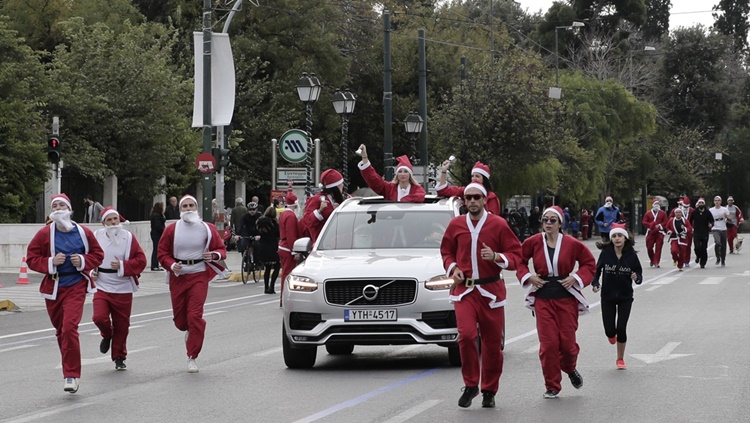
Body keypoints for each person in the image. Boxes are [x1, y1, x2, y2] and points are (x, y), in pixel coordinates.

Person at [440, 183, 522, 408]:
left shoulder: (498, 224)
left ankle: (489, 390)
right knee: (466, 336)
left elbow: (516, 256)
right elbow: (446, 250)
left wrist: (496, 256)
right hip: (465, 291)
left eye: (477, 197)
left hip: (491, 293)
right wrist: (453, 267)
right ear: (464, 201)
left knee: (492, 345)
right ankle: (470, 384)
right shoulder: (456, 224)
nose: (472, 201)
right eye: (468, 197)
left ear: (485, 200)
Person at [516, 205, 596, 399]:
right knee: (549, 344)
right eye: (545, 220)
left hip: (566, 298)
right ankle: (552, 385)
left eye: (553, 220)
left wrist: (576, 278)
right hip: (543, 298)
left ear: (560, 223)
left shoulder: (571, 243)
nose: (548, 223)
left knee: (568, 345)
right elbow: (519, 260)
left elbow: (589, 263)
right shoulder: (533, 242)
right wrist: (528, 276)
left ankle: (569, 368)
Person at [26, 193, 104, 393]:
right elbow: (32, 258)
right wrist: (51, 262)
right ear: (52, 212)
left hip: (76, 284)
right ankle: (69, 365)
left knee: (69, 328)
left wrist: (83, 261)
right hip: (53, 286)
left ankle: (71, 374)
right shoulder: (44, 234)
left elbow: (98, 255)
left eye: (62, 205)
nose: (58, 209)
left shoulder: (83, 232)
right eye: (55, 206)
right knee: (61, 331)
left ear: (69, 210)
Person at [157, 194, 227, 373]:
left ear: (196, 208)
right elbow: (162, 253)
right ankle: (189, 329)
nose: (188, 209)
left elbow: (221, 249)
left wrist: (214, 255)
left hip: (199, 275)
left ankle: (192, 356)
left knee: (195, 316)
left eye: (191, 206)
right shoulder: (172, 230)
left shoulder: (207, 228)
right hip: (178, 277)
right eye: (185, 206)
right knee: (181, 322)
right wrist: (172, 265)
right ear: (180, 210)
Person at [91, 207, 147, 371]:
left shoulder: (128, 237)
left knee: (122, 325)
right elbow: (88, 257)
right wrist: (90, 271)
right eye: (109, 220)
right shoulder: (96, 236)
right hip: (101, 284)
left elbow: (141, 260)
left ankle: (119, 357)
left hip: (122, 286)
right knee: (99, 317)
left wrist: (122, 265)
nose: (113, 222)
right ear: (103, 223)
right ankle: (107, 334)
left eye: (115, 219)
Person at [591, 223, 643, 370]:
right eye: (614, 236)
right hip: (607, 296)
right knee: (609, 330)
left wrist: (636, 277)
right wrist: (595, 283)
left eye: (620, 235)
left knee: (621, 328)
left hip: (625, 296)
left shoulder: (631, 254)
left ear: (625, 238)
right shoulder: (606, 253)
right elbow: (597, 270)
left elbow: (639, 274)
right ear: (611, 238)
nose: (617, 238)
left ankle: (620, 359)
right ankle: (610, 335)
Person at [357, 145, 426, 202]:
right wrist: (364, 158)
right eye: (400, 171)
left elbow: (419, 196)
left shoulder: (417, 189)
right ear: (396, 174)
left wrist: (403, 201)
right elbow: (374, 180)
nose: (402, 174)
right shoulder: (390, 188)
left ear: (410, 174)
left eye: (405, 171)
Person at [436, 160, 502, 215]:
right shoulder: (464, 191)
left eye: (477, 176)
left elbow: (493, 220)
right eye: (472, 176)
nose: (474, 179)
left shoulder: (491, 197)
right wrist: (444, 171)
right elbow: (443, 190)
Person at [300, 169, 346, 243]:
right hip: (322, 243)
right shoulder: (316, 199)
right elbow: (306, 221)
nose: (343, 185)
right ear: (335, 187)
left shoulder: (338, 200)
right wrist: (319, 211)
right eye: (340, 183)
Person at [278, 190, 300, 304]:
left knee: (285, 273)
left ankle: (283, 298)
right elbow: (291, 234)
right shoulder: (291, 216)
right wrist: (294, 251)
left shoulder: (283, 214)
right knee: (287, 274)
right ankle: (285, 299)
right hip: (287, 248)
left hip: (283, 247)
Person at [255, 206, 281, 294]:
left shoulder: (259, 222)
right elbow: (278, 234)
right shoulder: (274, 223)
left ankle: (266, 287)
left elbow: (257, 232)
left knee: (267, 268)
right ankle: (272, 287)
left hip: (262, 246)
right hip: (273, 246)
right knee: (277, 266)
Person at [641, 199, 668, 268]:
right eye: (655, 204)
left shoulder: (662, 213)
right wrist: (650, 225)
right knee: (649, 247)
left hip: (659, 232)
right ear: (653, 205)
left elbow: (665, 221)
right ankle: (652, 259)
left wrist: (660, 225)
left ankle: (656, 262)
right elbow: (644, 221)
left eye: (658, 204)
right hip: (651, 232)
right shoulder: (648, 213)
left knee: (658, 248)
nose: (657, 205)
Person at [689, 197, 714, 269]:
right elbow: (690, 221)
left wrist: (711, 224)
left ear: (704, 204)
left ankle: (703, 263)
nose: (701, 204)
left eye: (702, 203)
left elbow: (712, 220)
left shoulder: (707, 212)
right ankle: (698, 256)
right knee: (697, 247)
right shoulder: (694, 212)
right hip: (696, 232)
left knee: (704, 248)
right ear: (698, 204)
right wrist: (691, 228)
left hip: (705, 232)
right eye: (699, 203)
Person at [669, 197, 694, 267]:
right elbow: (670, 218)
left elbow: (694, 220)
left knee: (688, 247)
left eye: (687, 206)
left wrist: (692, 228)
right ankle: (677, 259)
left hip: (688, 231)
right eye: (684, 206)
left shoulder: (692, 210)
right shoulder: (676, 210)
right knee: (676, 248)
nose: (686, 207)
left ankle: (686, 261)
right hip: (677, 232)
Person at [709, 196, 731, 266]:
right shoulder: (711, 210)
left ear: (721, 202)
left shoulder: (724, 209)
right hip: (715, 229)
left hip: (723, 229)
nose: (717, 202)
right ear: (714, 202)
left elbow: (730, 218)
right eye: (716, 200)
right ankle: (718, 257)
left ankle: (723, 259)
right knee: (718, 243)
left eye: (718, 201)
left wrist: (726, 216)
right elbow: (708, 219)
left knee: (723, 245)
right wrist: (709, 224)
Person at [149, 202, 166, 271]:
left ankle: (156, 264)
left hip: (156, 233)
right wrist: (164, 230)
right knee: (156, 249)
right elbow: (158, 226)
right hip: (156, 234)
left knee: (157, 249)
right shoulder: (157, 216)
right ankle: (154, 265)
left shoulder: (157, 215)